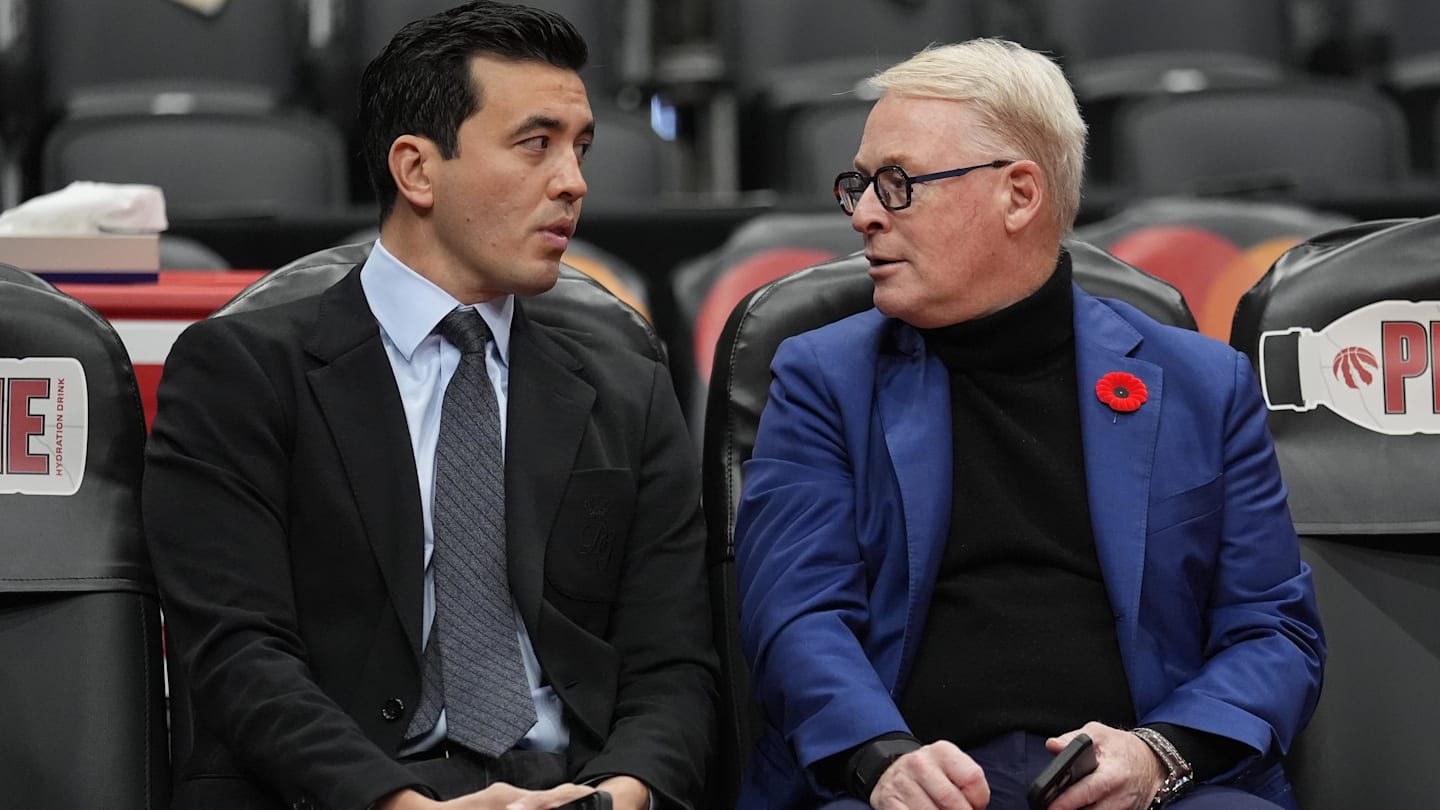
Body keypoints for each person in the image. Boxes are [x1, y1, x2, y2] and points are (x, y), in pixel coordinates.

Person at [143, 4, 715, 809]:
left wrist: (617, 797)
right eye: (535, 144)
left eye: (581, 148)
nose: (574, 182)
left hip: (574, 790)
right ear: (416, 170)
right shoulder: (240, 372)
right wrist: (402, 805)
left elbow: (676, 663)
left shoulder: (628, 379)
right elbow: (239, 657)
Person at [733, 39, 1324, 810]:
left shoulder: (1202, 384)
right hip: (902, 786)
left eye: (898, 183)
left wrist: (1160, 754)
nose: (865, 215)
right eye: (860, 184)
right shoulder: (822, 376)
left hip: (1154, 792)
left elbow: (1273, 630)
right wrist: (880, 759)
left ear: (1019, 194)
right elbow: (795, 615)